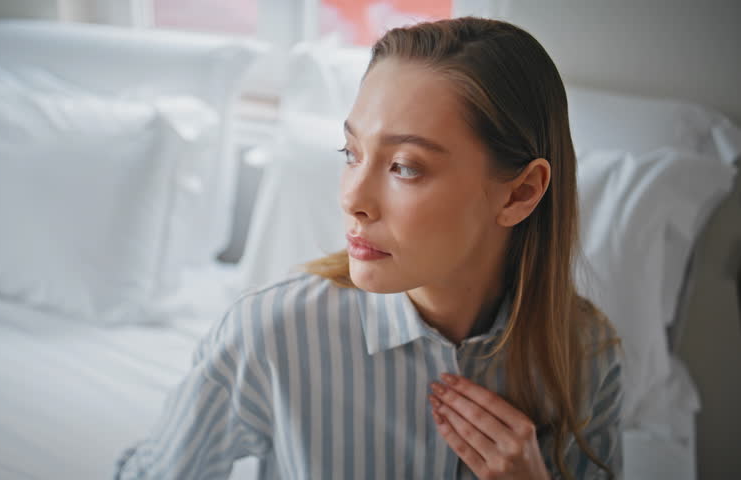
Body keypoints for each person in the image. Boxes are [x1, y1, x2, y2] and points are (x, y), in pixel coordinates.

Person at [115, 16, 622, 480]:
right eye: (351, 153)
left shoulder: (588, 355)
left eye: (405, 166)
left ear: (520, 193)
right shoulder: (270, 337)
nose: (352, 198)